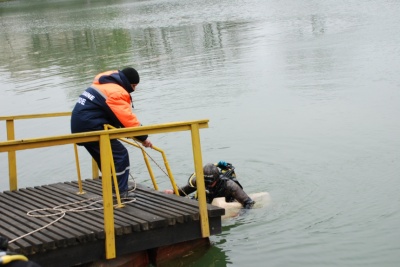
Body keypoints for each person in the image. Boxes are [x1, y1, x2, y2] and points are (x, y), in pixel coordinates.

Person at [71, 67, 152, 198]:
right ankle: (120, 193)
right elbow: (127, 120)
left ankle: (114, 188)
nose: (134, 89)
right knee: (120, 156)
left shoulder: (106, 83)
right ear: (128, 82)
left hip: (82, 126)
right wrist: (144, 138)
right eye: (133, 86)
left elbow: (113, 115)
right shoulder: (117, 92)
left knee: (106, 159)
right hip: (91, 128)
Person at [165, 161, 255, 209]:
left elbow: (249, 203)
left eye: (211, 182)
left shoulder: (230, 186)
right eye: (205, 182)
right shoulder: (199, 181)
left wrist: (240, 214)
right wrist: (173, 192)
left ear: (217, 179)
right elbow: (185, 191)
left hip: (226, 203)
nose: (208, 185)